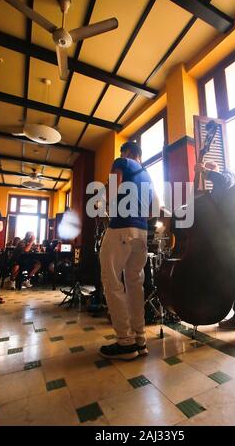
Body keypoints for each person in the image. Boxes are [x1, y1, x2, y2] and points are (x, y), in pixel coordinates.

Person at [99, 141, 155, 360]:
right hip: (141, 232)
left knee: (112, 281)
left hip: (121, 228)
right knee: (135, 284)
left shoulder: (122, 162)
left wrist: (105, 202)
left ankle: (125, 342)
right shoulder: (148, 176)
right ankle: (140, 339)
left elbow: (113, 190)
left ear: (128, 152)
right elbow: (151, 211)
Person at [194, 161, 235, 346]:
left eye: (211, 167)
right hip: (227, 235)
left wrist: (206, 171)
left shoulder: (228, 174)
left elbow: (223, 180)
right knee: (232, 276)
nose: (208, 170)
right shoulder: (216, 192)